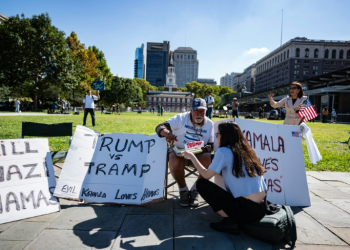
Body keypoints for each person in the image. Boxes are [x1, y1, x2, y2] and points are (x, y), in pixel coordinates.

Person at [183, 121, 267, 234]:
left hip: (246, 212)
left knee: (202, 184)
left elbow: (206, 175)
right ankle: (233, 215)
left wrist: (192, 157)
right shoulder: (248, 150)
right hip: (262, 208)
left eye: (218, 134)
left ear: (225, 136)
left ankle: (230, 221)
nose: (216, 138)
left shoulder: (223, 151)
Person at [155, 98, 214, 207]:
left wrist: (204, 149)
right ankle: (183, 191)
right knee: (173, 158)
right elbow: (160, 127)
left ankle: (196, 190)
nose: (199, 114)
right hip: (179, 154)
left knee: (211, 159)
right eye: (197, 111)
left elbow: (211, 144)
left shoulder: (209, 123)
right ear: (191, 110)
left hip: (198, 156)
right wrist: (167, 133)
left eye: (202, 111)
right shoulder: (181, 118)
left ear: (206, 111)